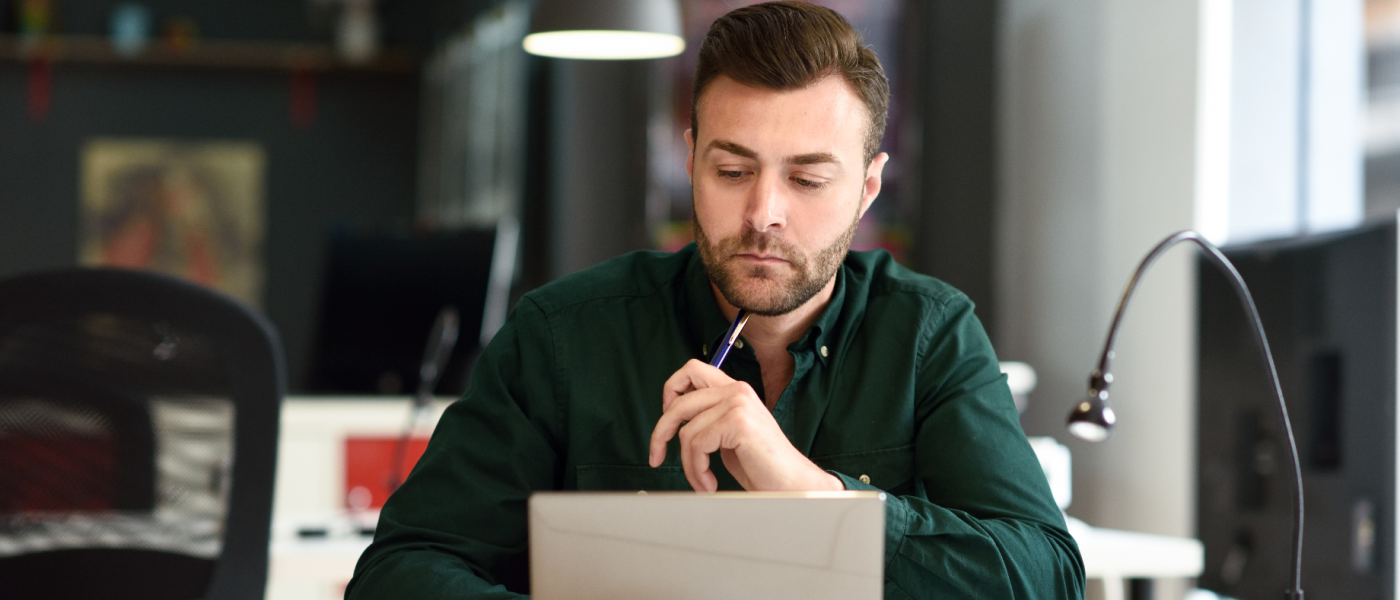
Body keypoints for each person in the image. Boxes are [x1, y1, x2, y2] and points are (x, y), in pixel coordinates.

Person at [345, 2, 1085, 598]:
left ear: (867, 186)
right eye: (732, 171)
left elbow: (1046, 577)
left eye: (807, 179)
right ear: (693, 158)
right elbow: (400, 571)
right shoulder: (564, 335)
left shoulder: (928, 332)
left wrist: (807, 492)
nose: (764, 211)